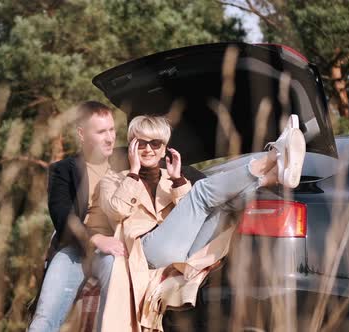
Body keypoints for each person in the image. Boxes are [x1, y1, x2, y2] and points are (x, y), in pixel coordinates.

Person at [93, 114, 305, 330]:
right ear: (131, 146)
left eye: (155, 143)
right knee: (201, 192)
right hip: (146, 254)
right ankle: (271, 157)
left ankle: (273, 177)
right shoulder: (113, 179)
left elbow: (192, 214)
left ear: (164, 147)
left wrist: (177, 181)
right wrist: (134, 173)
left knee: (223, 207)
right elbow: (116, 211)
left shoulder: (171, 177)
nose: (148, 149)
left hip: (183, 255)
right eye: (141, 143)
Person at [29, 101, 125, 332]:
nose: (110, 138)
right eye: (101, 132)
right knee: (44, 317)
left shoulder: (126, 159)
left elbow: (164, 162)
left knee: (113, 270)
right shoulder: (63, 170)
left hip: (113, 251)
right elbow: (62, 217)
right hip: (74, 251)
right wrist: (96, 239)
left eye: (112, 129)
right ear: (82, 134)